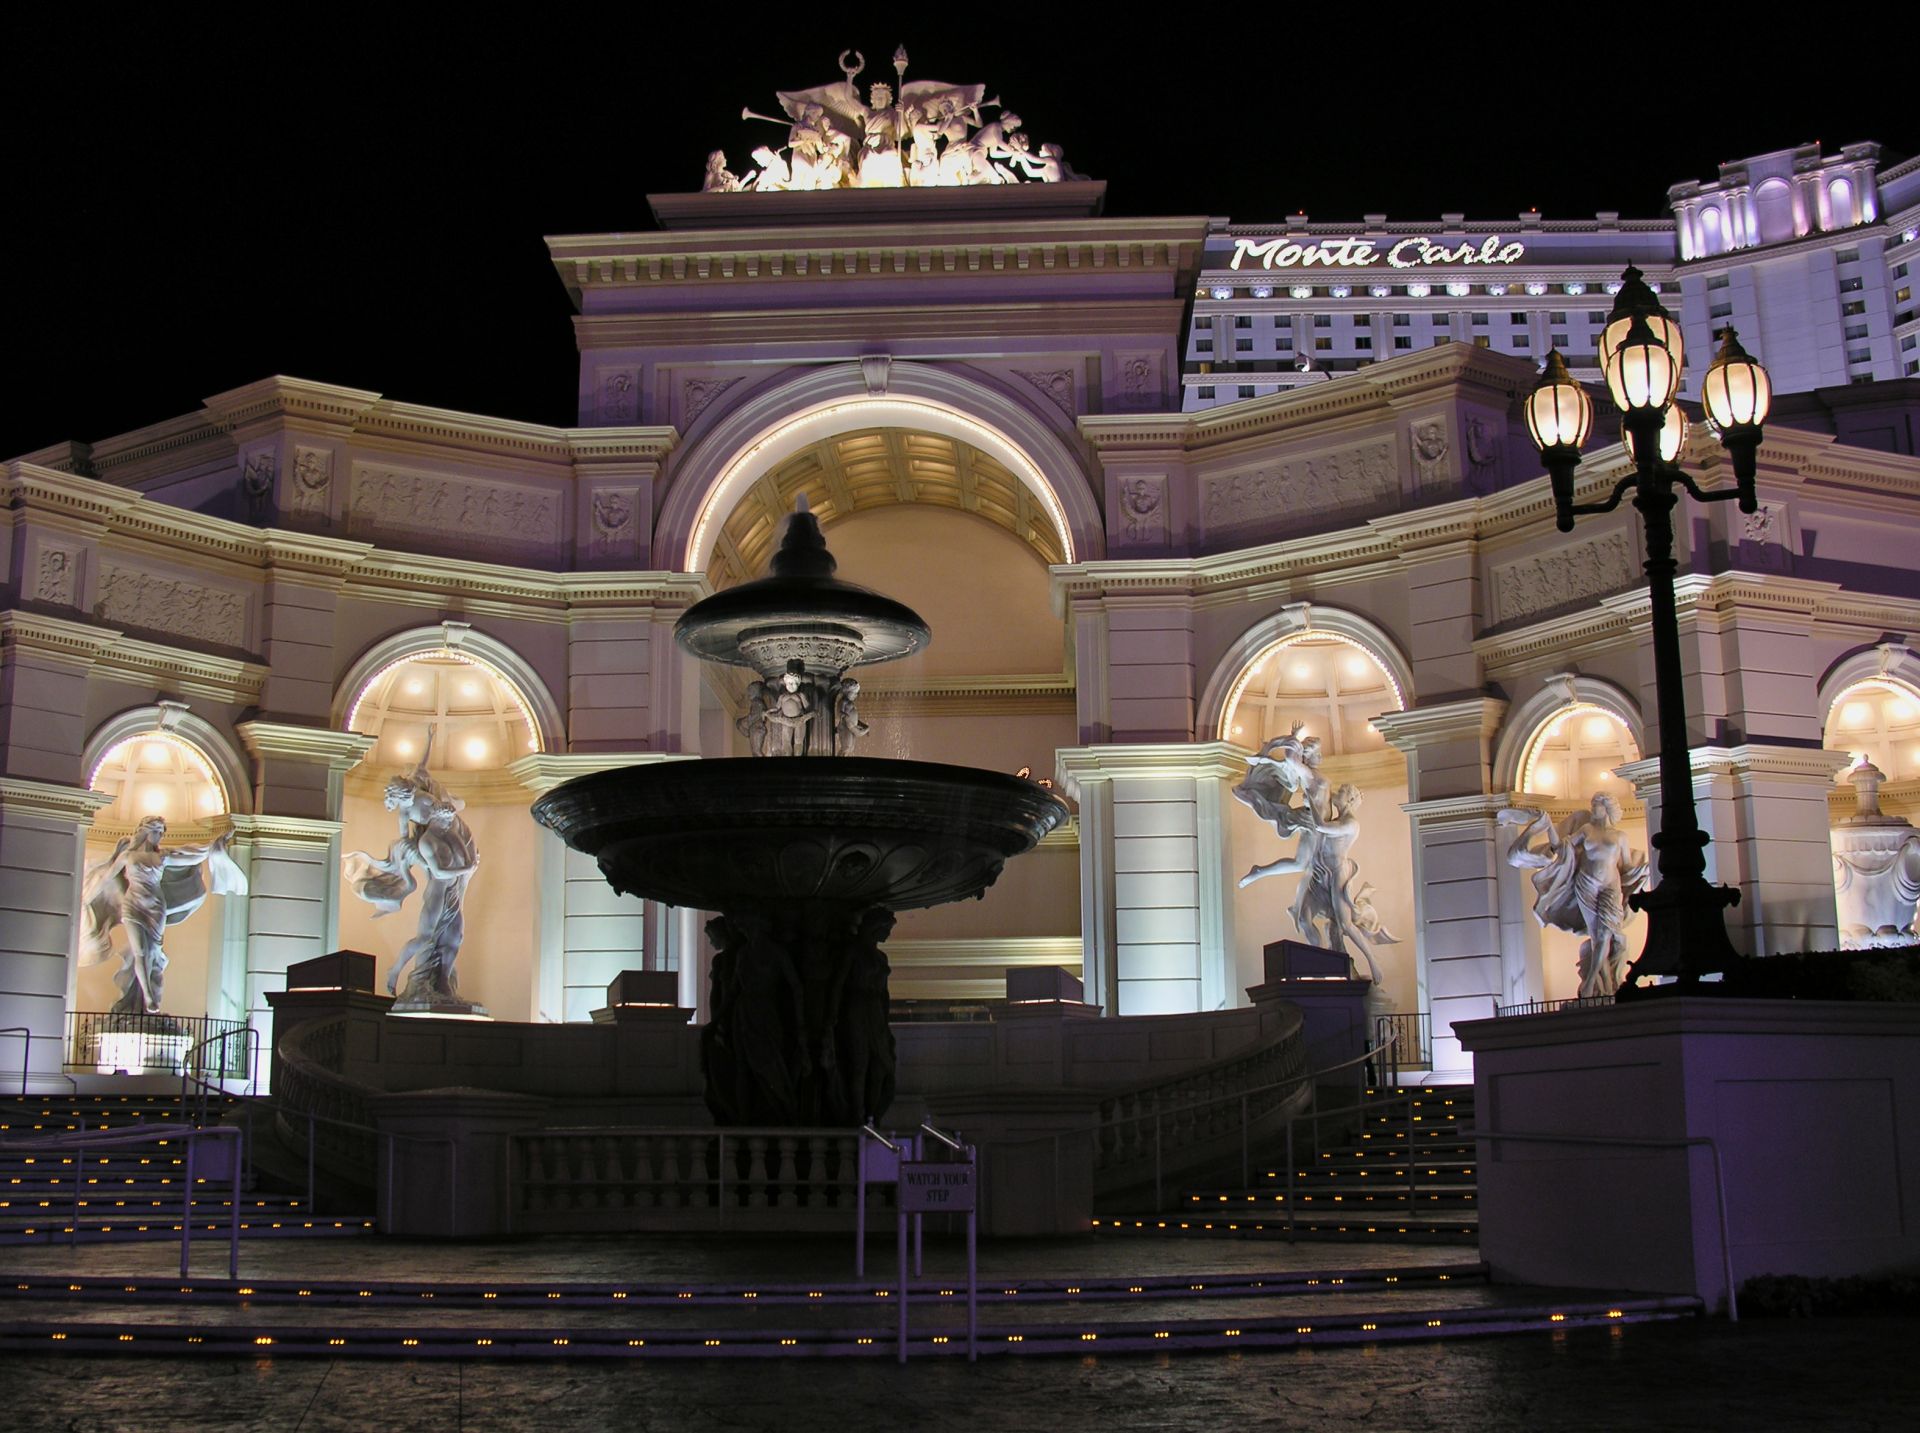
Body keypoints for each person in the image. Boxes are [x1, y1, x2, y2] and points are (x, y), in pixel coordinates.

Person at [344, 748, 479, 1005]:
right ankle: (396, 970)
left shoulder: (445, 830)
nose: (449, 824)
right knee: (426, 937)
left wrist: (468, 868)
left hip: (452, 893)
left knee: (455, 937)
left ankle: (443, 984)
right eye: (444, 820)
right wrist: (464, 869)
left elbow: (465, 855)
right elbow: (439, 868)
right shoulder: (428, 841)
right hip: (438, 893)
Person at [81, 816, 247, 1015]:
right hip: (132, 906)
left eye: (162, 832)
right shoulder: (128, 856)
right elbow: (105, 876)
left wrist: (216, 843)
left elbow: (193, 856)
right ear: (145, 831)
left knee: (153, 953)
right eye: (157, 831)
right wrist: (86, 896)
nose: (159, 836)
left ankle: (145, 997)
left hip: (156, 907)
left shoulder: (163, 856)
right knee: (140, 951)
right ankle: (149, 996)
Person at [1502, 793, 1650, 997]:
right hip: (1586, 884)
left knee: (1606, 934)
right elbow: (1562, 846)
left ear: (1606, 808)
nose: (1593, 808)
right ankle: (1604, 987)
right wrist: (1547, 824)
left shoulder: (1619, 836)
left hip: (1610, 887)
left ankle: (1592, 983)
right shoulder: (1587, 830)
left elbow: (1625, 864)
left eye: (1596, 805)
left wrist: (1640, 872)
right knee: (1598, 936)